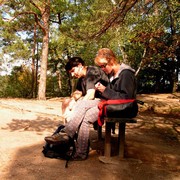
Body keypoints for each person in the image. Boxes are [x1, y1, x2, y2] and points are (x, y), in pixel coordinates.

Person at [45, 48, 138, 161]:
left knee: (83, 104)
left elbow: (126, 98)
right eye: (101, 66)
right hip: (110, 103)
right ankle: (81, 153)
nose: (102, 69)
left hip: (124, 107)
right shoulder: (112, 74)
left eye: (103, 66)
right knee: (85, 116)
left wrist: (104, 90)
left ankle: (66, 133)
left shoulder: (126, 74)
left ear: (112, 60)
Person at [61, 56, 109, 123]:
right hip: (92, 101)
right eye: (70, 73)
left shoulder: (92, 72)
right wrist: (72, 100)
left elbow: (90, 95)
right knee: (66, 102)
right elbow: (78, 93)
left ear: (80, 65)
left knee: (76, 107)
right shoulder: (81, 77)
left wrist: (75, 106)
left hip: (103, 101)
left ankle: (71, 127)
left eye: (73, 71)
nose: (72, 75)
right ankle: (68, 127)